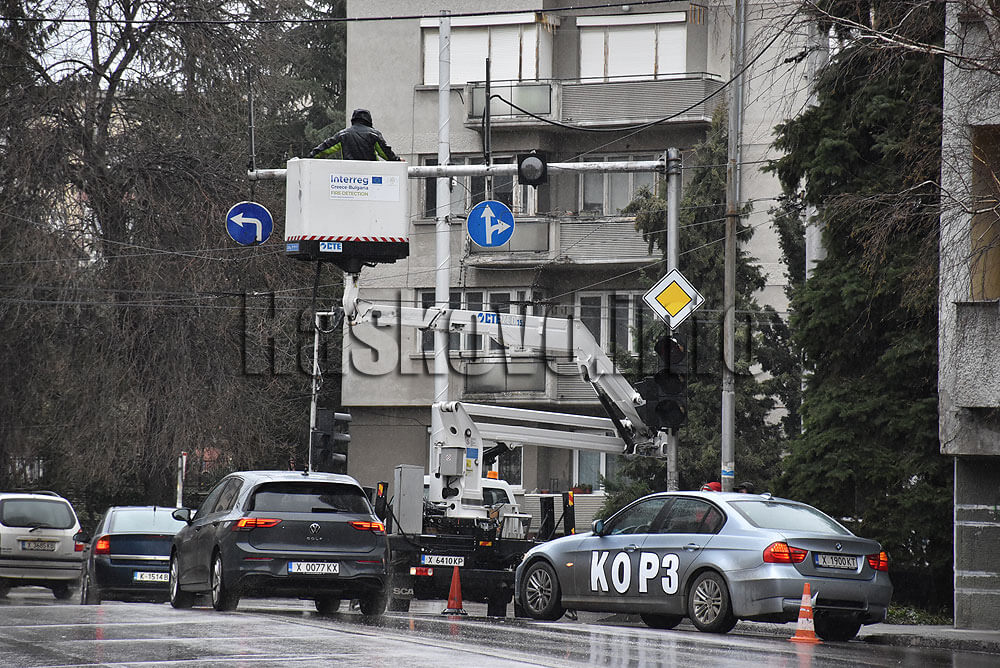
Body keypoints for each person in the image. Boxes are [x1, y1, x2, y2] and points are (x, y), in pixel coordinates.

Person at [308, 109, 402, 162]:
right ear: (369, 120)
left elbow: (325, 148)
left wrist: (309, 157)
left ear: (353, 120)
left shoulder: (343, 134)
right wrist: (397, 160)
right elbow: (385, 153)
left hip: (350, 175)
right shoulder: (374, 134)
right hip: (370, 174)